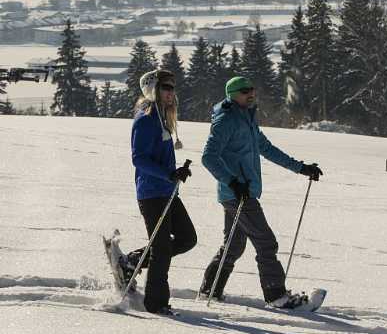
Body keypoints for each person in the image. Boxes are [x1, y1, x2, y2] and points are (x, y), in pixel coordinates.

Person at [199, 75, 323, 308]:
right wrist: (233, 182)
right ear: (232, 94)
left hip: (242, 192)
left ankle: (210, 289)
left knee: (234, 246)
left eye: (252, 90)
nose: (251, 94)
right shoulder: (226, 120)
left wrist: (301, 168)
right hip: (237, 193)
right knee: (266, 242)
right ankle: (276, 296)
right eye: (245, 91)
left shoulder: (247, 119)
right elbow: (208, 157)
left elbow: (267, 149)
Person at [125, 69, 197, 315]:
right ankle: (156, 303)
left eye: (172, 88)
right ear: (153, 89)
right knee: (162, 248)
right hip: (151, 193)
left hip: (167, 191)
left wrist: (175, 172)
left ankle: (132, 261)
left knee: (188, 238)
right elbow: (139, 159)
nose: (171, 92)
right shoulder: (146, 119)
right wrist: (168, 174)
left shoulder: (162, 118)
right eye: (165, 87)